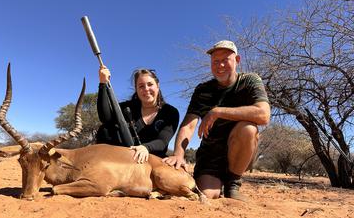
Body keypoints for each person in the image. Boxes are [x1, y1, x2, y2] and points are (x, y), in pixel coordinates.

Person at [163, 40, 270, 201]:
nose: (220, 66)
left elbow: (263, 115)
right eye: (215, 62)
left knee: (248, 128)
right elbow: (188, 125)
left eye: (225, 60)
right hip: (210, 156)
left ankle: (233, 183)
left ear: (237, 60)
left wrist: (217, 112)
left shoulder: (250, 81)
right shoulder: (202, 90)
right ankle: (215, 182)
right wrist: (179, 154)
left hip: (238, 149)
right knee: (206, 196)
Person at [96, 66, 179, 163]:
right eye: (141, 86)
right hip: (123, 158)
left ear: (157, 85)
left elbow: (162, 141)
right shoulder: (126, 107)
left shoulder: (171, 112)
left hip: (152, 160)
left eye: (150, 84)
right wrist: (103, 83)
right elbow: (105, 118)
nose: (146, 89)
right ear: (136, 89)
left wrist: (145, 147)